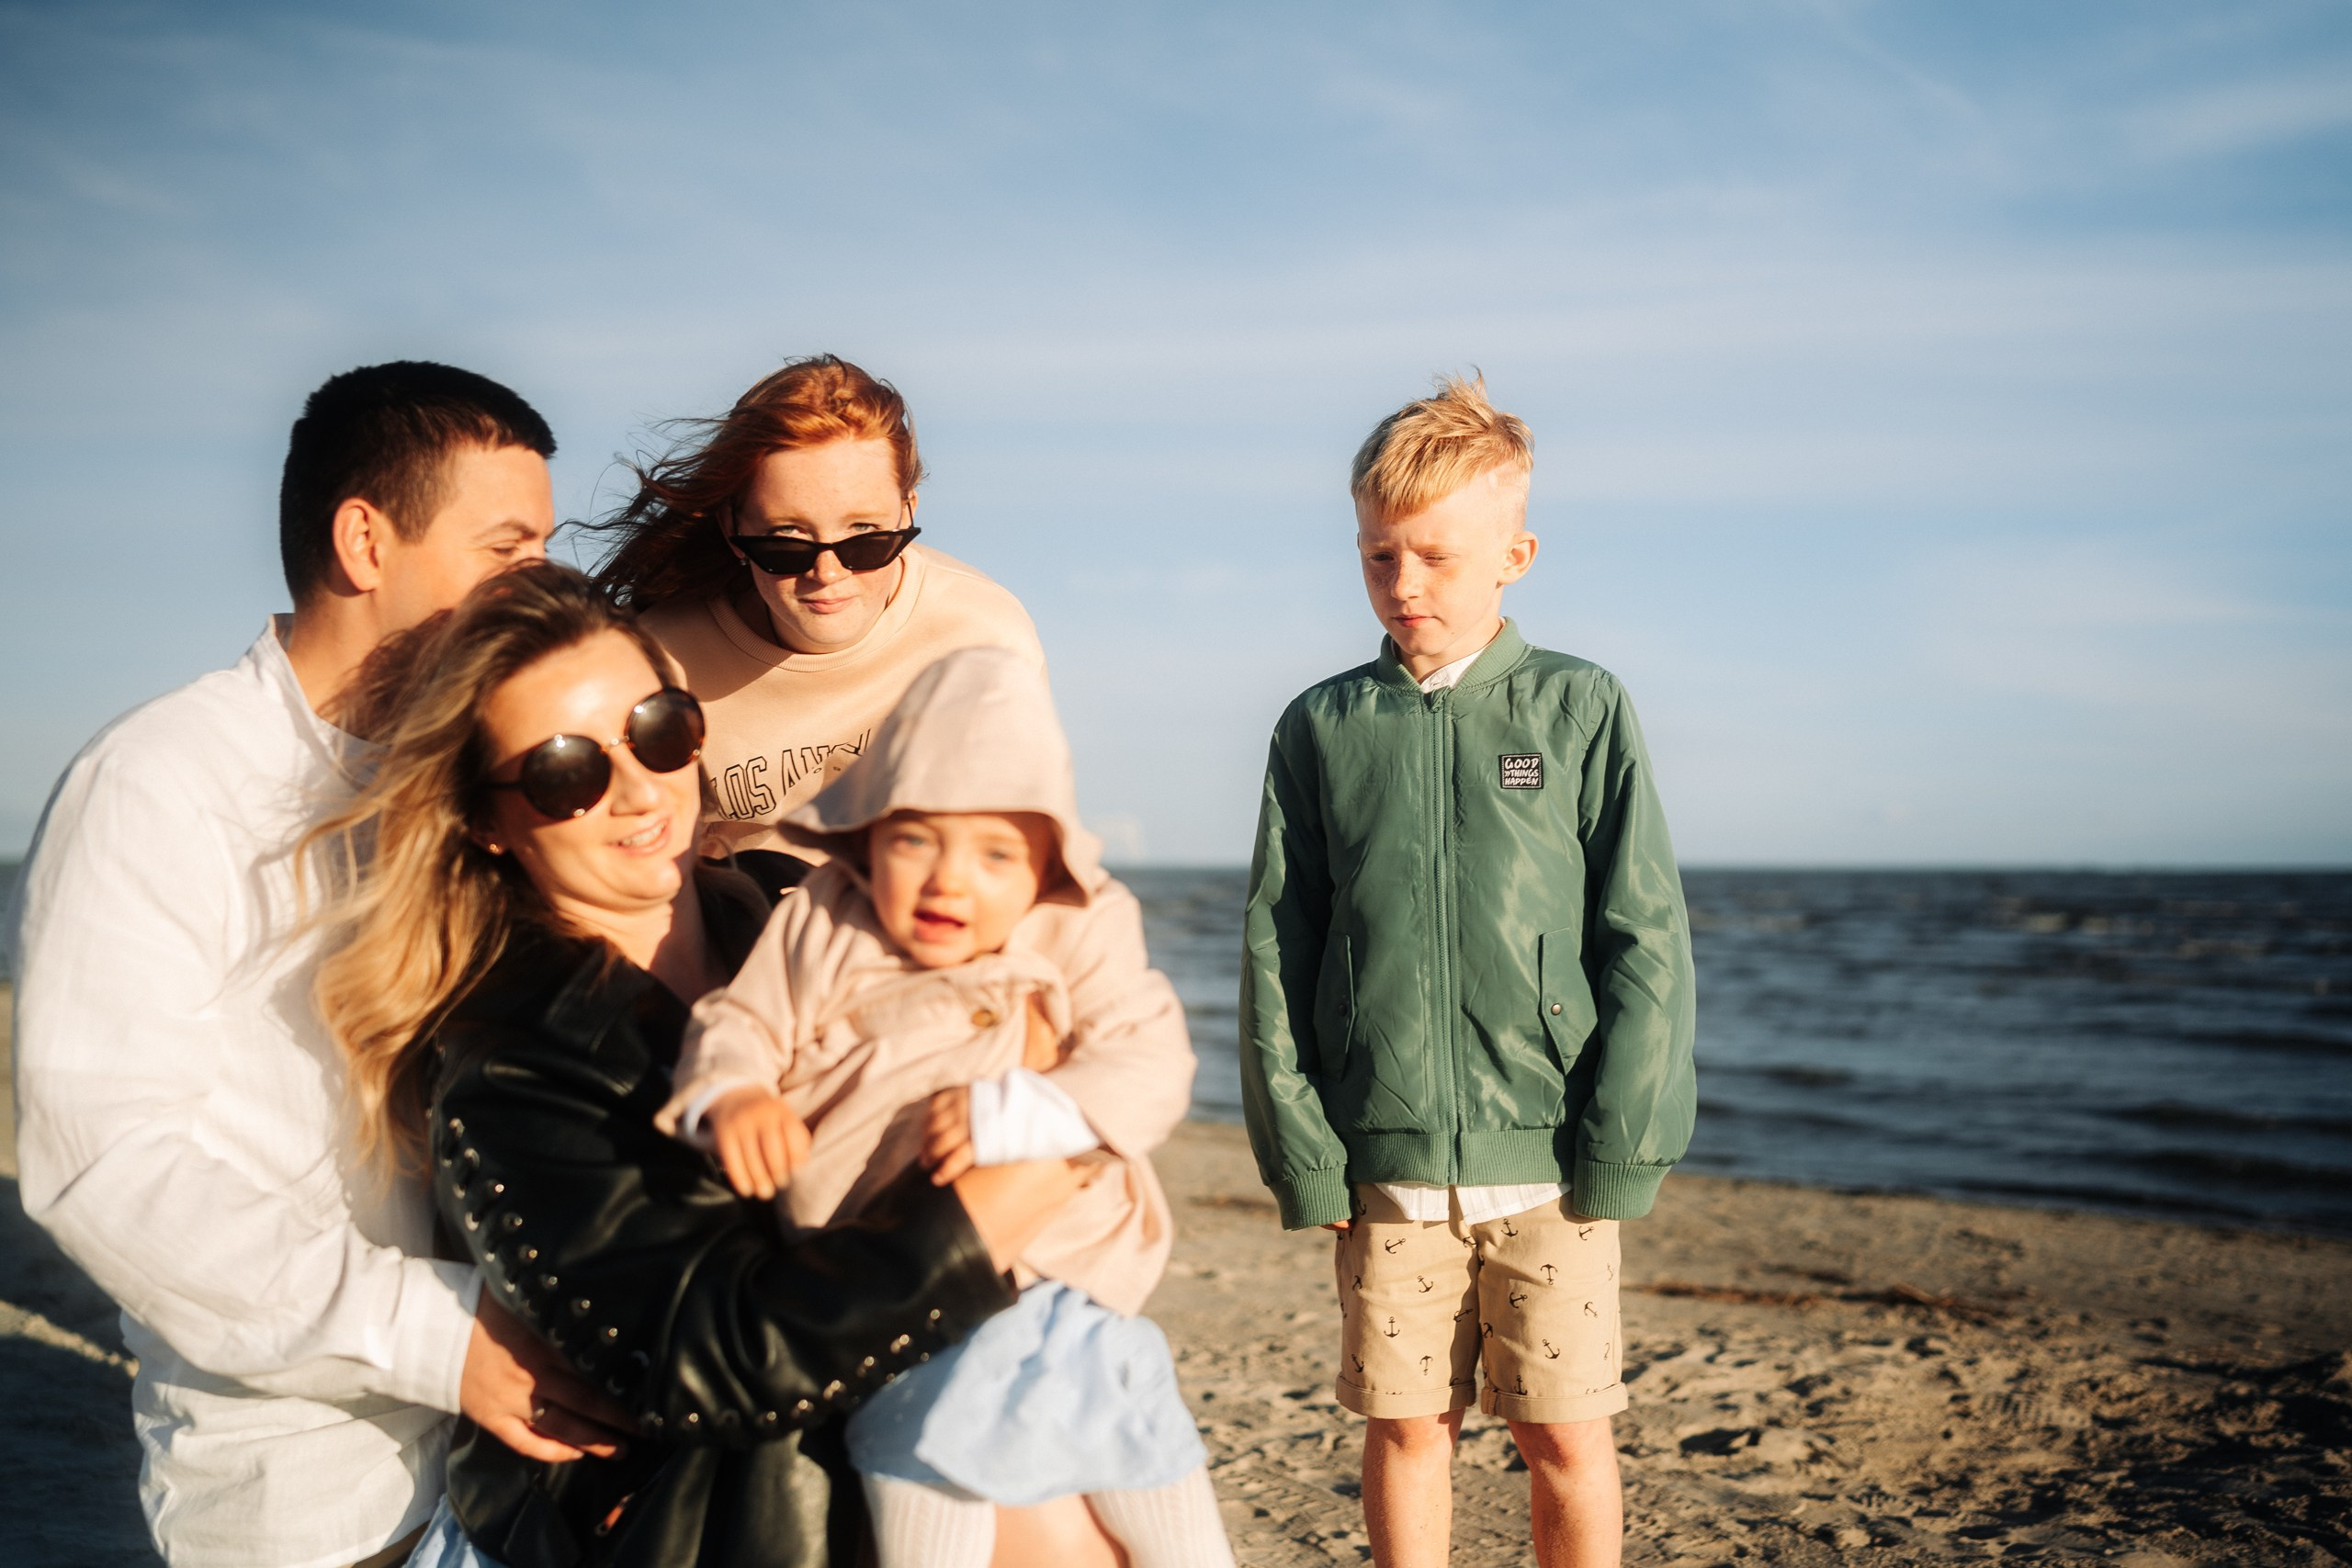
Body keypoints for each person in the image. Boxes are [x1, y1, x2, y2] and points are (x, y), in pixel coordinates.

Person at [304, 562, 1102, 1568]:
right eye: (564, 772)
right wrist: (1012, 1191)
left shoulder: (786, 910)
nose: (638, 790)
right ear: (485, 822)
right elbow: (716, 1354)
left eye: (658, 730)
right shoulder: (510, 1059)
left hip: (882, 1441)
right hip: (687, 1522)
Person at [6, 363, 625, 1568]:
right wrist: (445, 1337)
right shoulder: (161, 781)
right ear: (364, 540)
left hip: (522, 1467)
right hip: (315, 1489)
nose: (537, 584)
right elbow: (103, 1161)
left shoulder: (470, 782)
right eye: (505, 547)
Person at [1238, 376, 1698, 1568]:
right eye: (1379, 555)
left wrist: (1624, 1137)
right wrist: (1304, 1146)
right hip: (1386, 1171)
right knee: (1406, 1429)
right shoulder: (1322, 726)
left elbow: (1642, 932)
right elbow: (1278, 945)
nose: (1405, 585)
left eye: (1435, 556)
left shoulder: (1579, 708)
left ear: (1515, 553)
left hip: (1548, 1164)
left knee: (1568, 1440)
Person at [663, 648, 1232, 1568]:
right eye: (915, 839)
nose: (948, 882)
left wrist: (1025, 1111)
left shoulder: (1080, 921)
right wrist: (732, 1093)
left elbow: (1154, 1062)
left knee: (1110, 1410)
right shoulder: (827, 915)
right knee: (960, 1427)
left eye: (997, 853)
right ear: (868, 833)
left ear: (1047, 860)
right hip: (882, 1262)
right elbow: (742, 1023)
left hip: (1055, 1256)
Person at [591, 355, 1046, 894]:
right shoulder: (658, 657)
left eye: (866, 539)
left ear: (907, 513)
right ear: (734, 531)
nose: (827, 574)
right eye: (786, 542)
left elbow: (1011, 851)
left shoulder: (982, 636)